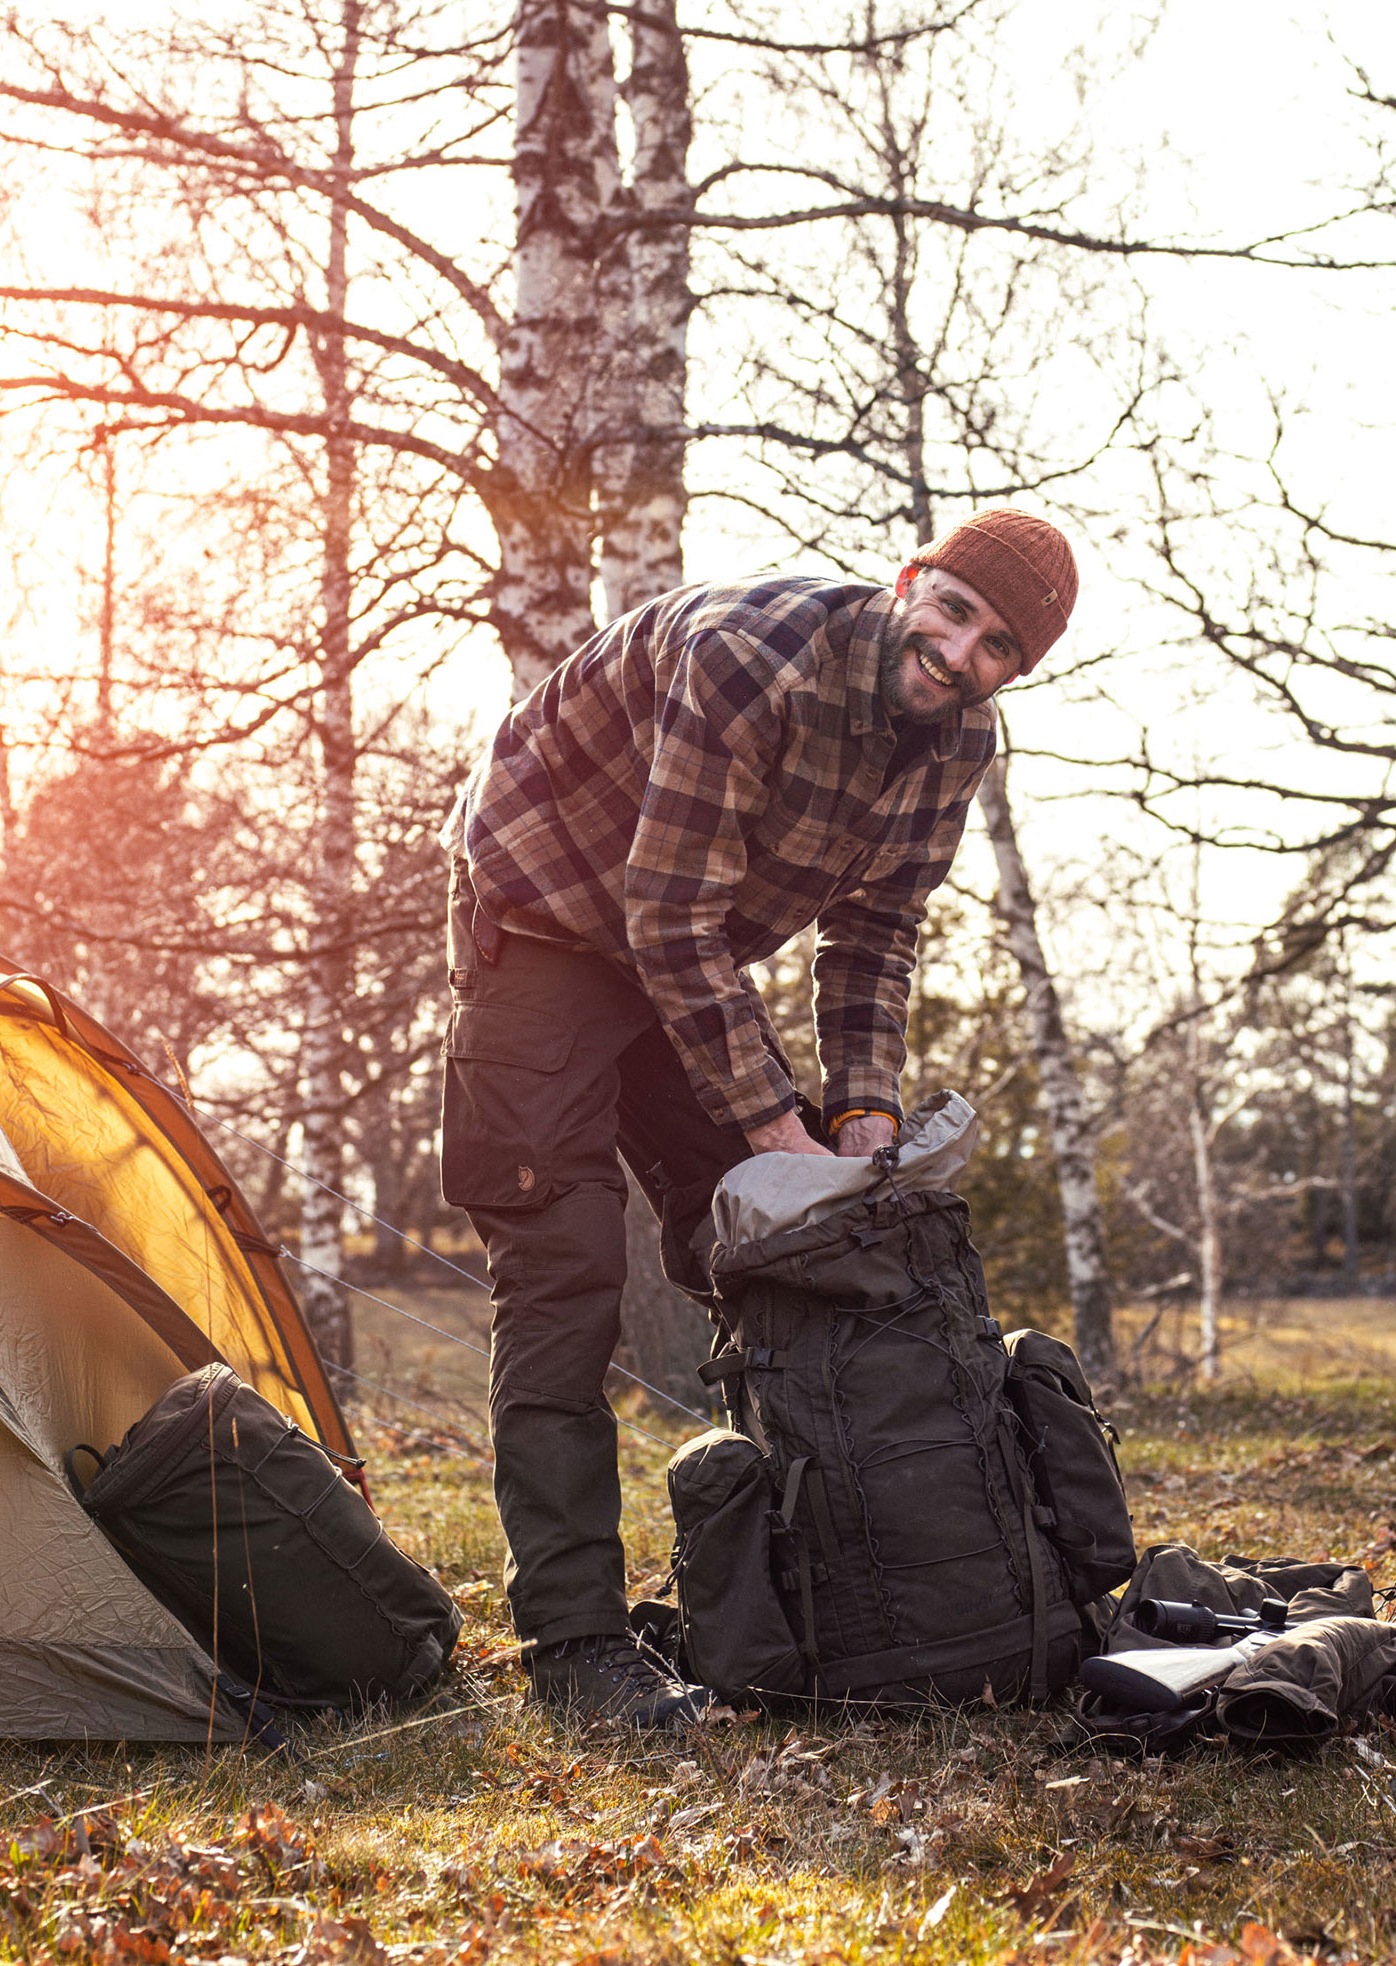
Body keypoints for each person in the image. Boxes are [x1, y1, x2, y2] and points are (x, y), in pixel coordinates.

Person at [440, 508, 1078, 1724]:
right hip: (540, 921)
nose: (957, 655)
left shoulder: (957, 748)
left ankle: (833, 1589)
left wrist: (859, 1119)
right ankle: (574, 1647)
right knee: (565, 1266)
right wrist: (776, 1131)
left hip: (686, 951)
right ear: (910, 581)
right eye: (950, 612)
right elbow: (665, 917)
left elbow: (875, 935)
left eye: (995, 646)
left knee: (781, 1246)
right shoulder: (752, 655)